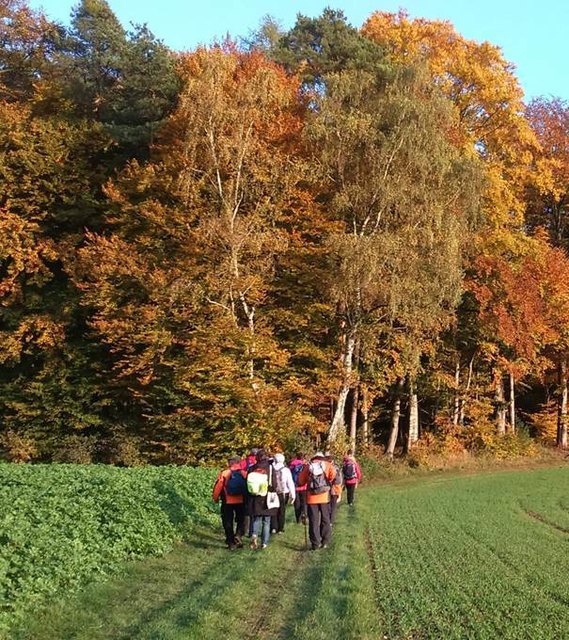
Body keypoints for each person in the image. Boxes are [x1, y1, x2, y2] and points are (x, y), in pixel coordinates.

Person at [296, 452, 336, 550]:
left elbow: (301, 480)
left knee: (313, 520)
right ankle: (325, 541)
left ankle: (315, 543)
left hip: (311, 497)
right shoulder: (327, 465)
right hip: (324, 496)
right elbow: (333, 476)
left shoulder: (308, 466)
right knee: (325, 519)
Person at [212, 456, 248, 550]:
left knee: (227, 521)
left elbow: (218, 487)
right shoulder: (244, 473)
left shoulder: (224, 473)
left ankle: (230, 541)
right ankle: (239, 535)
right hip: (241, 500)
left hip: (227, 501)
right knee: (241, 519)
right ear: (238, 463)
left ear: (230, 463)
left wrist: (215, 498)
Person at [247, 450, 279, 550]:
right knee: (267, 521)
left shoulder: (252, 468)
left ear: (257, 457)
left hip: (255, 496)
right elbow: (274, 483)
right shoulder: (270, 468)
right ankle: (264, 543)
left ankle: (254, 535)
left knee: (256, 519)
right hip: (267, 496)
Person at [270, 453, 296, 534]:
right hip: (283, 492)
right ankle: (280, 528)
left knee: (273, 509)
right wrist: (293, 494)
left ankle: (273, 527)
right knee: (282, 510)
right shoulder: (286, 470)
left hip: (272, 492)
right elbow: (290, 483)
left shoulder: (271, 468)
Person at [289, 451, 307, 524]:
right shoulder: (305, 465)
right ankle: (304, 515)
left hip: (295, 486)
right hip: (304, 486)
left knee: (297, 504)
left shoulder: (292, 464)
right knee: (304, 503)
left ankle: (298, 519)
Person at [325, 451, 342, 525]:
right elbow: (339, 480)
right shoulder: (336, 467)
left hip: (327, 488)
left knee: (328, 505)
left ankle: (328, 520)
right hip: (335, 488)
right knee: (333, 506)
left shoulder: (324, 466)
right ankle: (330, 521)